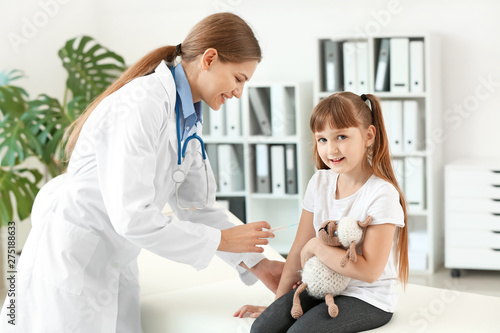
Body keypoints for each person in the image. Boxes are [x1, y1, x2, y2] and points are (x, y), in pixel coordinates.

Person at [0, 12, 284, 332]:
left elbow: (196, 208)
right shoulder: (140, 103)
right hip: (75, 257)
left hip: (113, 260)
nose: (238, 93)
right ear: (209, 58)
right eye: (238, 78)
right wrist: (221, 239)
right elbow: (132, 216)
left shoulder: (186, 119)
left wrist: (260, 265)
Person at [235, 92, 409, 332]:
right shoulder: (320, 182)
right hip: (322, 286)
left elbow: (369, 272)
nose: (331, 150)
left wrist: (318, 246)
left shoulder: (382, 194)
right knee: (262, 328)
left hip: (367, 297)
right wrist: (277, 307)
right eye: (322, 139)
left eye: (341, 136)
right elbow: (297, 251)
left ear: (368, 136)